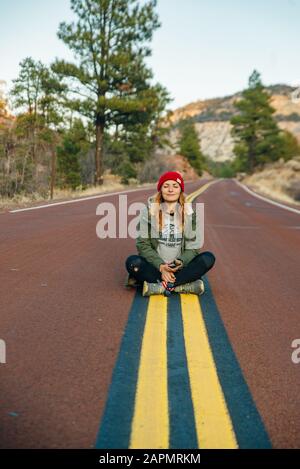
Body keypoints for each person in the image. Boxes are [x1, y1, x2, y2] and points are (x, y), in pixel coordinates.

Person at [125, 171, 216, 296]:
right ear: (160, 190)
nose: (170, 190)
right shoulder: (148, 212)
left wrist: (180, 262)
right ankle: (182, 285)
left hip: (180, 268)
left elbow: (193, 247)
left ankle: (160, 286)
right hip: (156, 267)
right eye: (166, 186)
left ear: (180, 190)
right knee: (133, 262)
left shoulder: (191, 214)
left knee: (208, 258)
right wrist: (161, 266)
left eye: (175, 186)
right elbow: (142, 245)